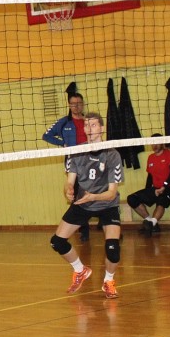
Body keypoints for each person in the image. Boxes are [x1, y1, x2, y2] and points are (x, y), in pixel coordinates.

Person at [49, 112, 123, 300]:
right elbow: (69, 181)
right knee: (57, 242)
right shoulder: (77, 152)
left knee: (113, 248)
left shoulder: (112, 154)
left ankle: (108, 281)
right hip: (84, 202)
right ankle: (79, 270)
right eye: (87, 125)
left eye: (94, 125)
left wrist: (93, 196)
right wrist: (68, 190)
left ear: (102, 128)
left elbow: (112, 193)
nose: (90, 129)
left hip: (107, 203)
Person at [43, 92, 92, 242]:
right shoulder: (64, 122)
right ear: (69, 105)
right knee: (76, 193)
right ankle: (83, 229)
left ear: (83, 104)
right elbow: (46, 135)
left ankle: (106, 223)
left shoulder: (89, 121)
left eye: (79, 103)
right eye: (73, 104)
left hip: (91, 160)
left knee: (96, 190)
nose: (76, 106)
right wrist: (62, 143)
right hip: (73, 161)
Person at [126, 134, 170, 236]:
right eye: (152, 143)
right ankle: (150, 222)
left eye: (157, 143)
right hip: (157, 188)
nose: (154, 145)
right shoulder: (151, 157)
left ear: (162, 143)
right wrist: (147, 192)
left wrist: (164, 186)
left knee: (162, 199)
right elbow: (150, 177)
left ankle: (151, 224)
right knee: (132, 198)